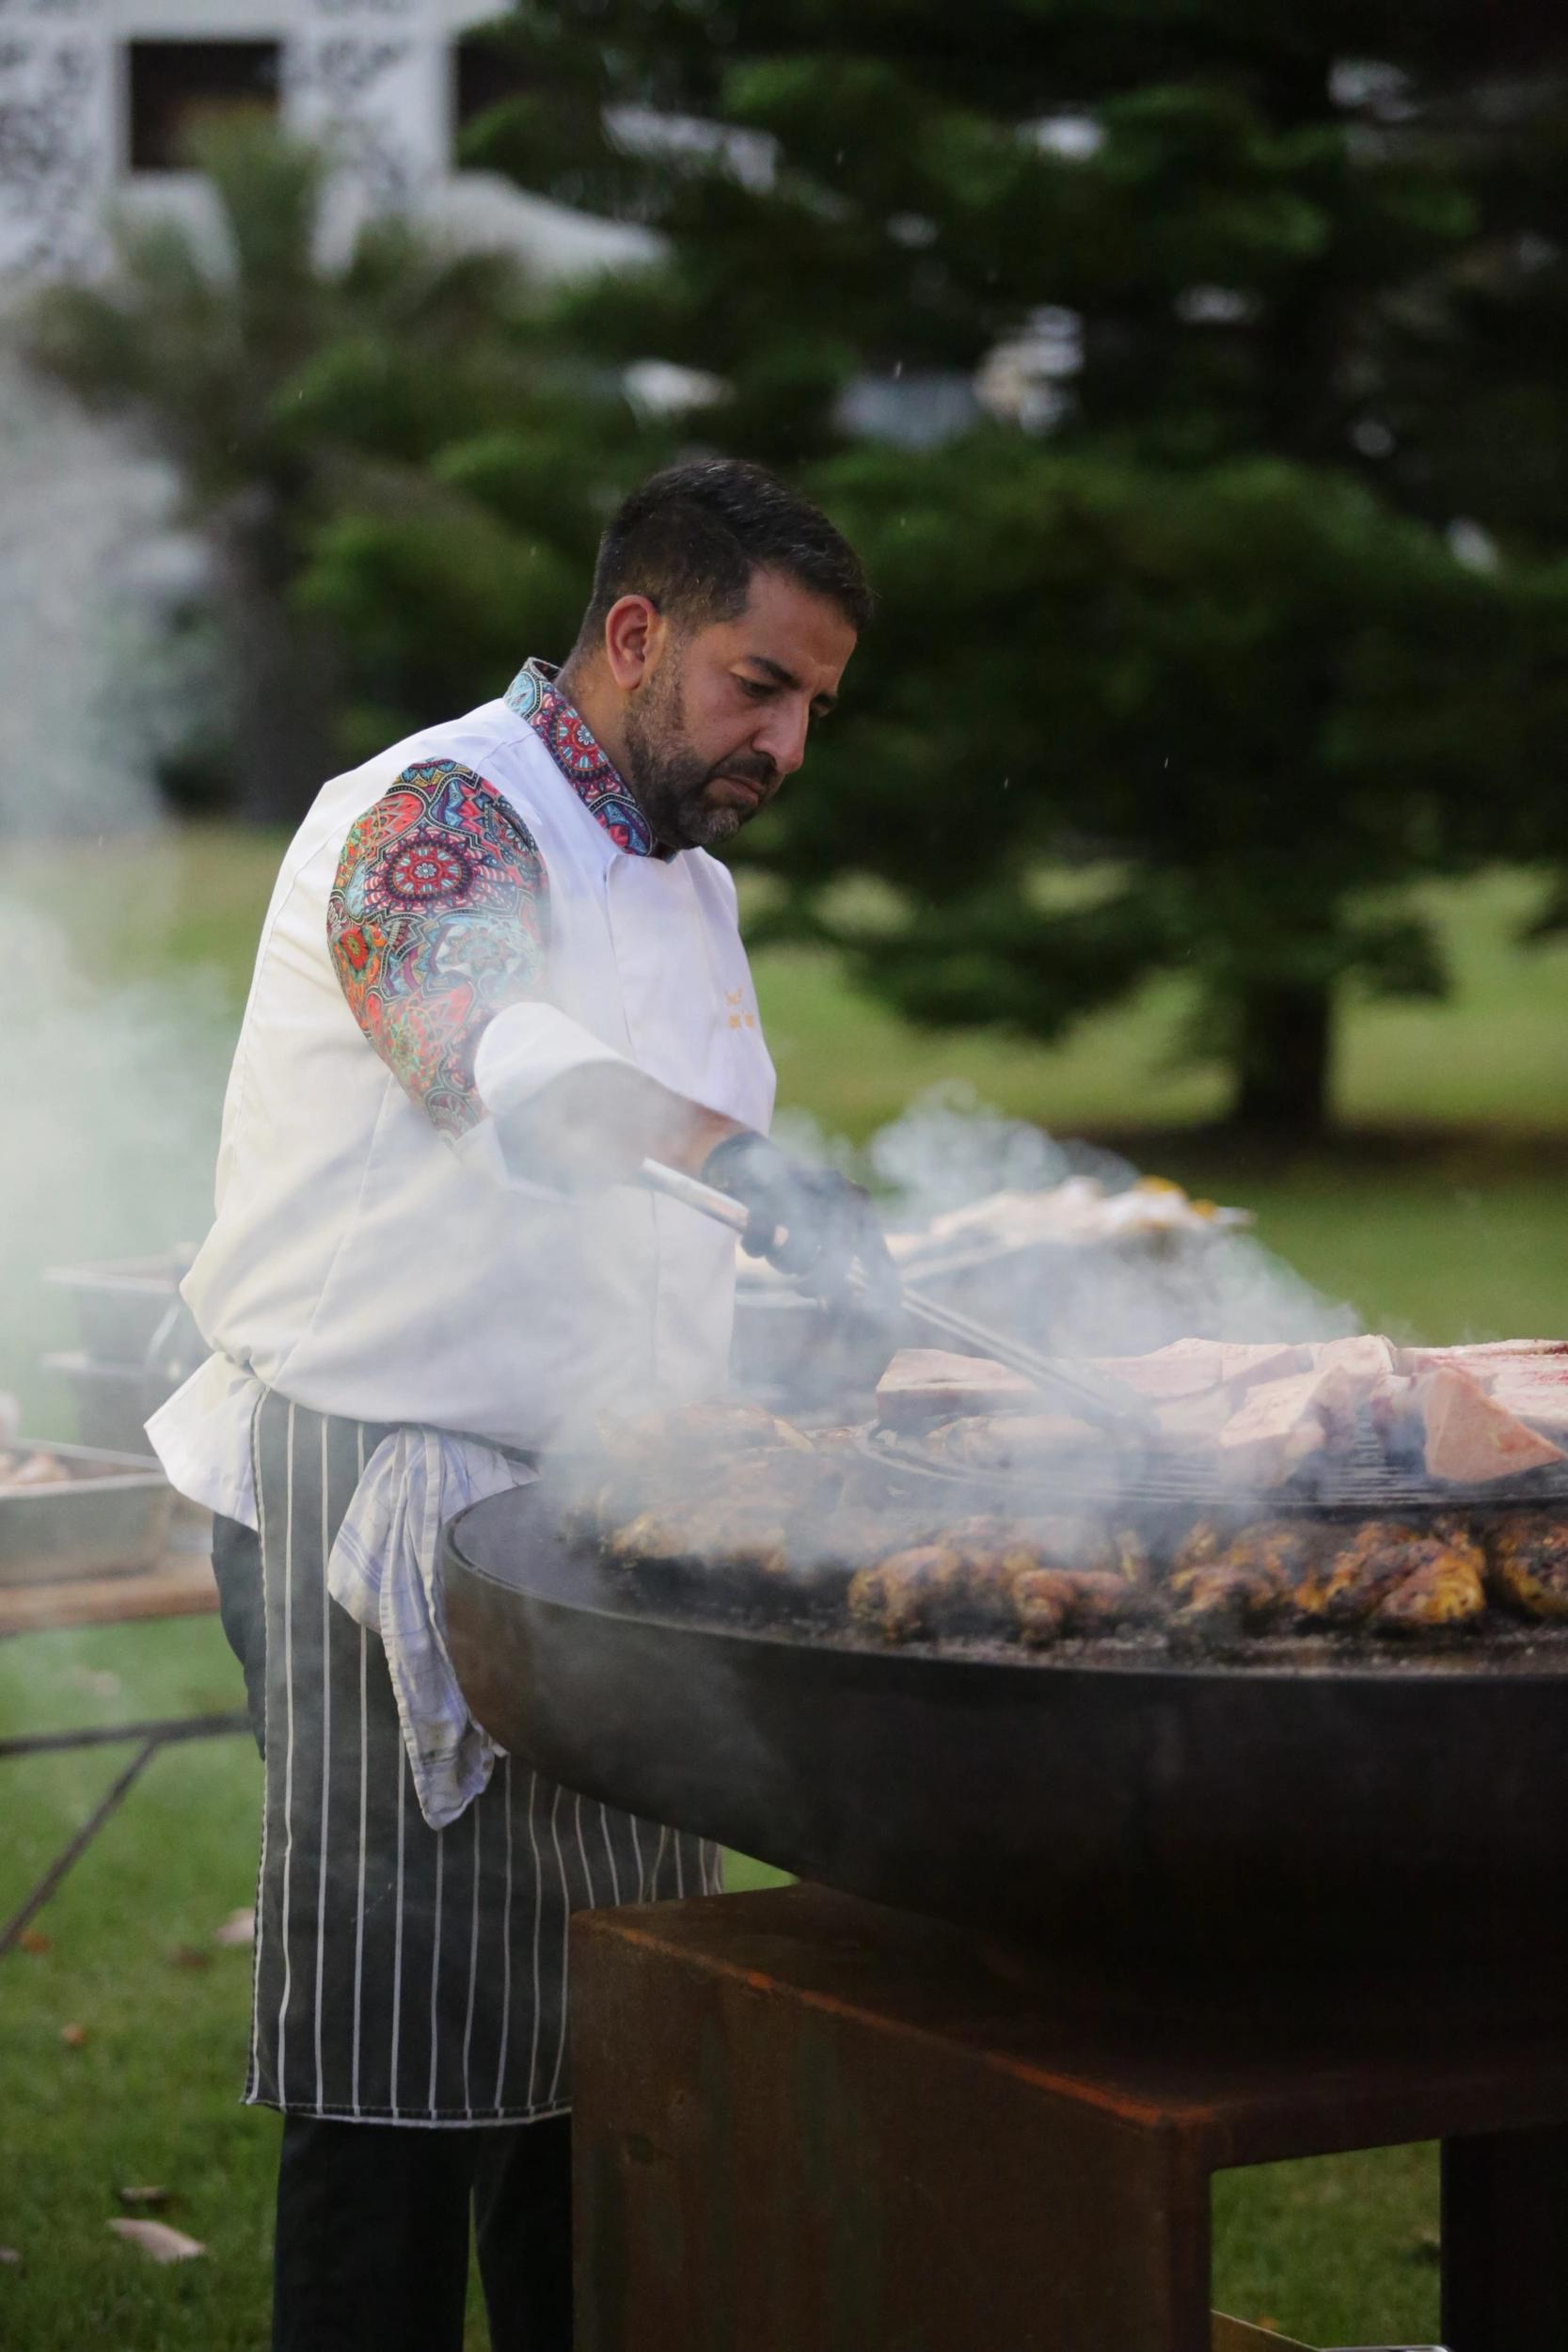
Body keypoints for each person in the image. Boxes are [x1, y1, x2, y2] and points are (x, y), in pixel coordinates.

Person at [146, 456, 893, 2352]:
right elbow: (471, 1014)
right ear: (637, 633)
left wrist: (814, 1312)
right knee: (397, 2075)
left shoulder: (695, 893)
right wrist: (709, 1150)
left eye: (815, 703)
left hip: (610, 1520)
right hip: (371, 1507)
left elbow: (657, 1248)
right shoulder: (432, 808)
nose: (789, 740)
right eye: (758, 683)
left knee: (612, 2062)